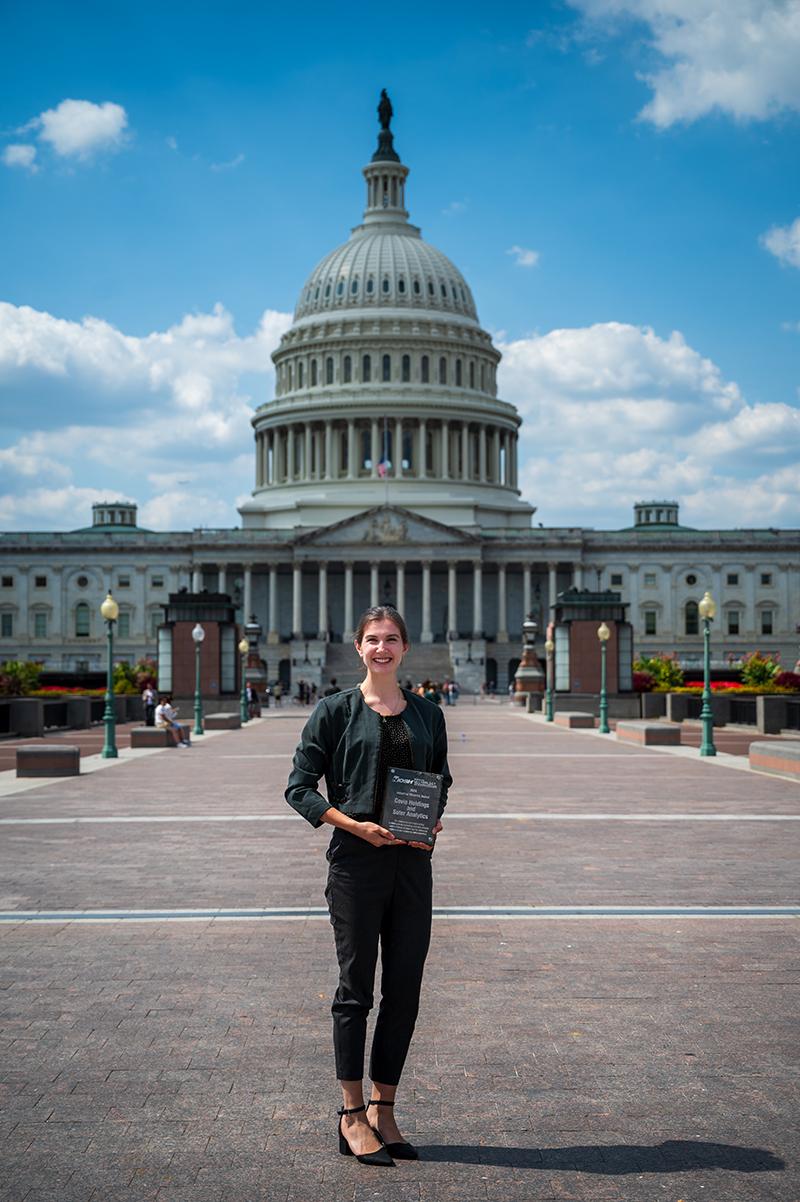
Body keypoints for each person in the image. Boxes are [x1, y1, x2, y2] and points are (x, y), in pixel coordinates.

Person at [285, 605, 452, 1167]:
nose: (382, 648)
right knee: (355, 988)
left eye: (392, 640)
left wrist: (431, 819)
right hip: (356, 863)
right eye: (373, 640)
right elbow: (299, 788)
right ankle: (351, 1114)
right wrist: (350, 822)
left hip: (412, 864)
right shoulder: (333, 712)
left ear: (405, 648)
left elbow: (440, 779)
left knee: (404, 989)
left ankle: (385, 1107)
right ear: (357, 647)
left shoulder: (429, 714)